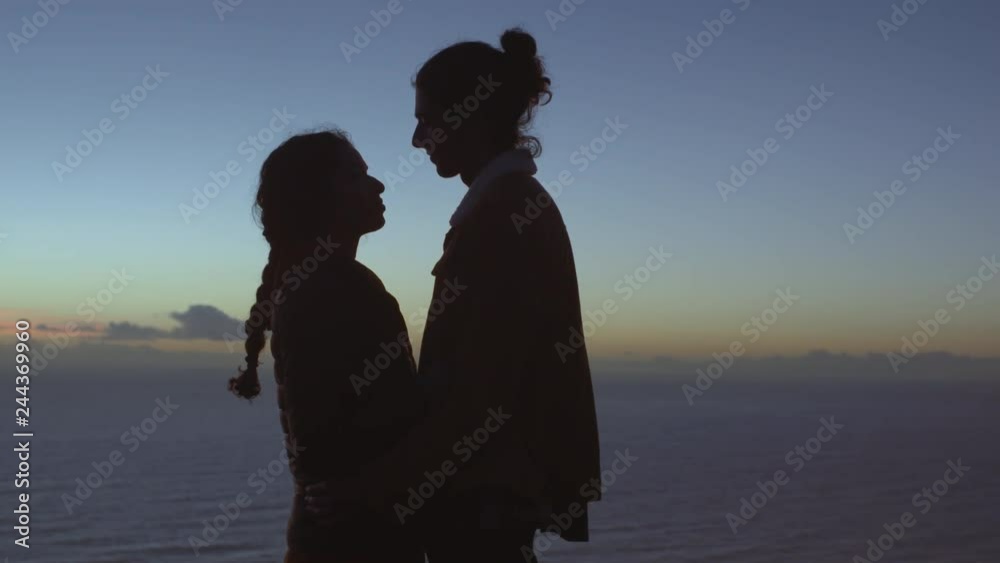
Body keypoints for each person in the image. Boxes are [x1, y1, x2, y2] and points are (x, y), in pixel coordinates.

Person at [306, 28, 602, 563]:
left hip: (484, 502)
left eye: (426, 118)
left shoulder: (502, 216)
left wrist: (367, 489)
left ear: (471, 114)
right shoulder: (507, 205)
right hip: (488, 497)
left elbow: (479, 399)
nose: (418, 139)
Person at [228, 129, 425, 563]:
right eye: (357, 177)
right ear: (317, 198)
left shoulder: (313, 285)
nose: (378, 185)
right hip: (357, 540)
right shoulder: (339, 288)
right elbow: (381, 426)